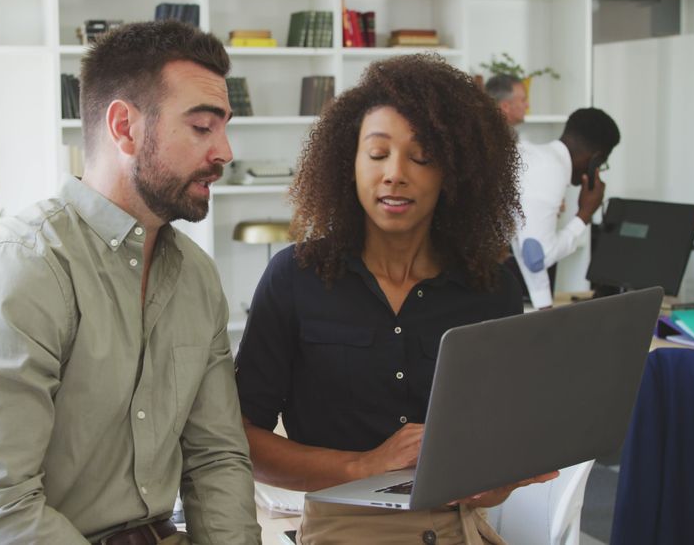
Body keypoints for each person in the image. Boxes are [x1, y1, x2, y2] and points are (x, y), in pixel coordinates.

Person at [0, 20, 261, 544]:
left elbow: (217, 458)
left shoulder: (196, 277)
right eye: (202, 127)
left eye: (223, 128)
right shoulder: (19, 271)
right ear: (124, 128)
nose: (223, 151)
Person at [234, 54, 556, 545]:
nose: (395, 174)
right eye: (378, 153)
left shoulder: (492, 290)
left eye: (421, 156)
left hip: (456, 529)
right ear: (350, 162)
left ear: (453, 172)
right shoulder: (294, 278)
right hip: (343, 529)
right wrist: (365, 465)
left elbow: (490, 472)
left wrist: (500, 480)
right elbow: (244, 442)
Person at [509, 108, 620, 309]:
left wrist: (544, 307)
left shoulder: (536, 157)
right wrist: (584, 215)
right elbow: (536, 258)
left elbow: (525, 243)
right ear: (596, 158)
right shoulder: (551, 170)